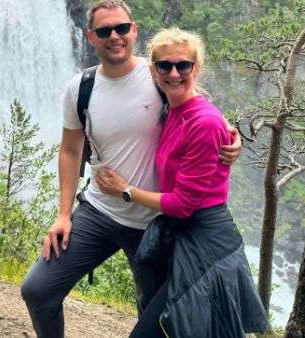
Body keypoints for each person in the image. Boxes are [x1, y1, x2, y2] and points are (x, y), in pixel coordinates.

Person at [20, 0, 242, 338]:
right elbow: (69, 150)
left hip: (156, 223)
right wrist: (63, 215)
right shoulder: (80, 89)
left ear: (134, 31)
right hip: (99, 210)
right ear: (90, 36)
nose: (114, 36)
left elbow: (198, 108)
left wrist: (230, 138)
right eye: (104, 30)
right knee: (38, 289)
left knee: (156, 318)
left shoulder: (158, 74)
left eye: (122, 28)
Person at [95, 28, 268, 338]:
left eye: (183, 65)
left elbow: (183, 205)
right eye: (164, 66)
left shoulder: (203, 121)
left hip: (204, 242)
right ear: (153, 70)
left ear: (196, 68)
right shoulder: (171, 108)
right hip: (182, 237)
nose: (173, 73)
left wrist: (125, 190)